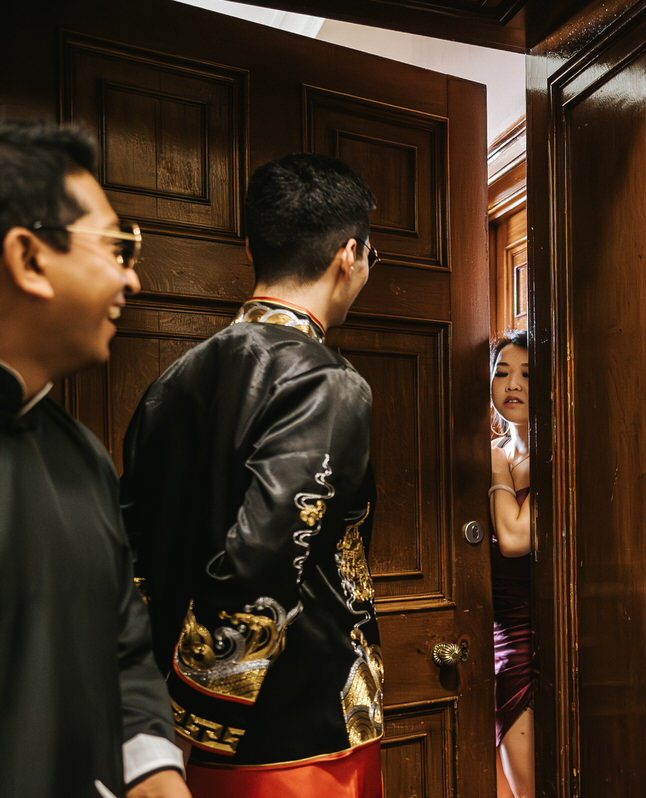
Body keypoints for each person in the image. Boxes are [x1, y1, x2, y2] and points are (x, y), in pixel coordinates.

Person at [121, 153, 384, 796]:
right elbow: (260, 562)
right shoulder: (328, 382)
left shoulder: (169, 384)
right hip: (298, 739)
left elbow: (134, 551)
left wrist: (167, 718)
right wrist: (200, 714)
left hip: (189, 744)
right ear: (349, 255)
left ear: (250, 247)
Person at [0, 121, 188, 797]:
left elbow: (124, 648)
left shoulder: (80, 453)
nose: (131, 278)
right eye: (116, 247)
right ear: (28, 259)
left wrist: (155, 772)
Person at [488, 330, 535, 798]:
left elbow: (517, 538)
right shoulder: (496, 449)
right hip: (493, 632)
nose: (513, 384)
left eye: (525, 373)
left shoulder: (552, 449)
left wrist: (499, 472)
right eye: (502, 373)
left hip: (531, 634)